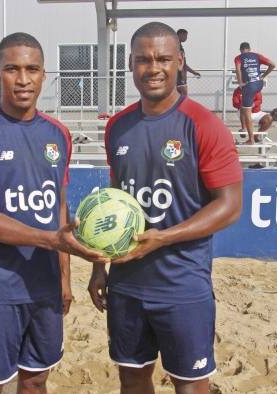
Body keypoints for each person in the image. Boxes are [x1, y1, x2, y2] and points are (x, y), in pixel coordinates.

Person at [0, 32, 107, 394]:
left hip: (45, 286)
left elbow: (58, 209)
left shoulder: (58, 133)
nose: (23, 79)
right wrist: (53, 240)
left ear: (44, 75)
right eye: (12, 69)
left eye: (32, 69)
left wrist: (63, 279)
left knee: (36, 380)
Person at [89, 22, 243, 394]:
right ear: (130, 64)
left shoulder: (203, 125)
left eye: (163, 58)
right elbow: (115, 196)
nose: (153, 68)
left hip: (182, 285)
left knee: (189, 385)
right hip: (126, 284)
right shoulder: (118, 127)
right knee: (132, 378)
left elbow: (230, 205)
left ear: (180, 62)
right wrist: (98, 266)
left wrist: (165, 237)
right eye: (143, 59)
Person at [234, 42, 275, 144]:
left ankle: (251, 139)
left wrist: (240, 83)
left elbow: (238, 70)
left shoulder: (238, 58)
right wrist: (263, 76)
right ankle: (250, 134)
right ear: (249, 49)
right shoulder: (256, 56)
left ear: (241, 50)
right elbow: (273, 64)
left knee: (246, 113)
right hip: (258, 84)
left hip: (249, 85)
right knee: (244, 107)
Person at [176, 28, 201, 97]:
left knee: (180, 100)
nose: (186, 38)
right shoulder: (176, 47)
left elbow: (183, 64)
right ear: (180, 35)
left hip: (181, 79)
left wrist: (193, 72)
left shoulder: (179, 47)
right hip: (179, 79)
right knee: (183, 100)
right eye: (185, 36)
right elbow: (180, 63)